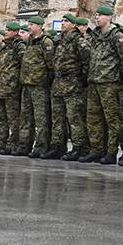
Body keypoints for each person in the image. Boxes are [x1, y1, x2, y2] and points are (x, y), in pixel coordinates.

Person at [82, 5, 123, 165]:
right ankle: (97, 150)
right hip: (94, 82)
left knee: (112, 120)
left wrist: (118, 77)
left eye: (100, 15)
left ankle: (111, 152)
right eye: (96, 15)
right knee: (93, 118)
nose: (97, 18)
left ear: (109, 17)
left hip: (110, 83)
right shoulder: (94, 35)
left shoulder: (117, 36)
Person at [52, 13, 91, 160]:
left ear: (74, 25)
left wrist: (80, 79)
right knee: (58, 118)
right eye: (62, 21)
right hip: (58, 85)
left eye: (66, 21)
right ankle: (58, 146)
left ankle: (79, 147)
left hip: (73, 85)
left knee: (74, 118)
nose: (62, 23)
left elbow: (87, 61)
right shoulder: (60, 40)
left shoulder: (78, 41)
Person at [19, 16, 56, 158]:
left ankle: (41, 146)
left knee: (41, 118)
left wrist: (45, 80)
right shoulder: (29, 41)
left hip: (39, 85)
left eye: (32, 24)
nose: (29, 27)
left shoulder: (46, 42)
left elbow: (51, 65)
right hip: (27, 84)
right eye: (28, 24)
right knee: (26, 117)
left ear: (40, 26)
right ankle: (24, 145)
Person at [0, 22, 24, 153]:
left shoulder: (19, 46)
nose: (6, 32)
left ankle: (13, 143)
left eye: (9, 30)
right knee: (0, 117)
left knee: (13, 118)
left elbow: (24, 65)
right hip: (1, 87)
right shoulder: (4, 47)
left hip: (12, 88)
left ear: (16, 32)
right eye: (6, 30)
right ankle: (0, 142)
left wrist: (16, 82)